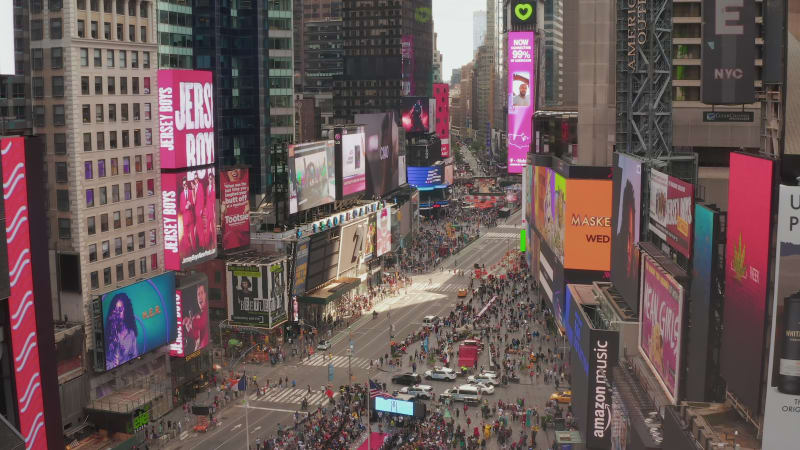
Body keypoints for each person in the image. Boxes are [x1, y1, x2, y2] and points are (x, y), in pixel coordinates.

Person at [105, 293, 139, 368]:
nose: (117, 313)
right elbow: (105, 362)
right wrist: (113, 365)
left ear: (126, 310)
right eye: (115, 309)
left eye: (120, 309)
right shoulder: (110, 334)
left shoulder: (131, 333)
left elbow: (135, 355)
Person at [183, 283, 210, 352]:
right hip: (198, 351)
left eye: (202, 293)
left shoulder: (206, 311)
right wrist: (188, 326)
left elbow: (202, 323)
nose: (200, 296)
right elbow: (195, 336)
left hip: (204, 350)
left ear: (205, 295)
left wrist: (191, 321)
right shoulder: (197, 315)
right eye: (198, 294)